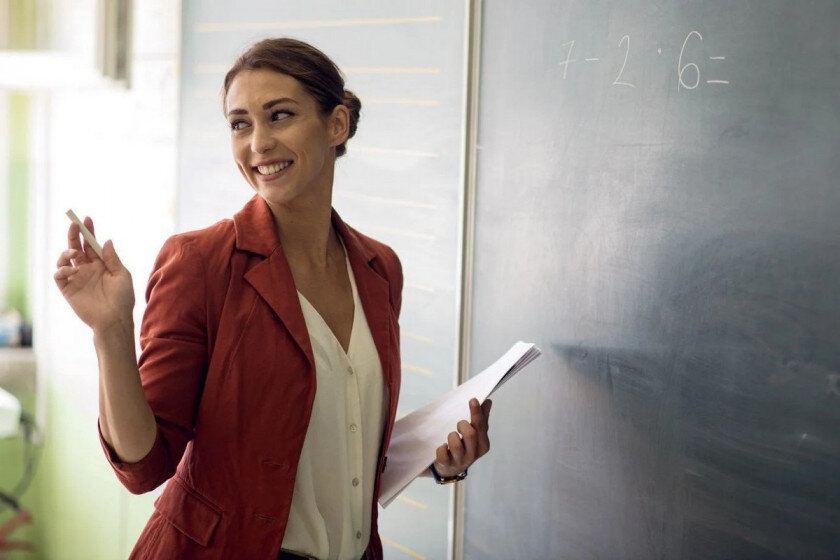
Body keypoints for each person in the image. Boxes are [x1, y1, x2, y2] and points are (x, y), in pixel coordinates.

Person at [53, 38, 492, 560]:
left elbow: (332, 441)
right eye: (240, 124)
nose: (257, 143)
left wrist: (439, 458)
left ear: (337, 125)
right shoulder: (201, 262)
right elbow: (144, 465)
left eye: (279, 116)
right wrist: (111, 331)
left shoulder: (379, 270)